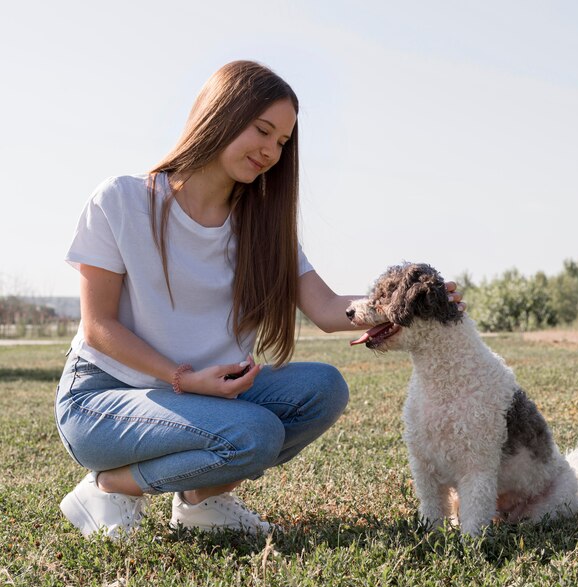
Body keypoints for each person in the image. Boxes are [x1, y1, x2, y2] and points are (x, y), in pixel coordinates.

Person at [55, 60, 463, 538]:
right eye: (262, 131)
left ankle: (201, 504)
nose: (271, 151)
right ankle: (109, 486)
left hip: (206, 392)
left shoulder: (262, 227)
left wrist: (409, 302)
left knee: (323, 390)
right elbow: (98, 326)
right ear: (219, 114)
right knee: (254, 434)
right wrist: (184, 379)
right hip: (103, 400)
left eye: (283, 142)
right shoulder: (121, 200)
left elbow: (330, 309)